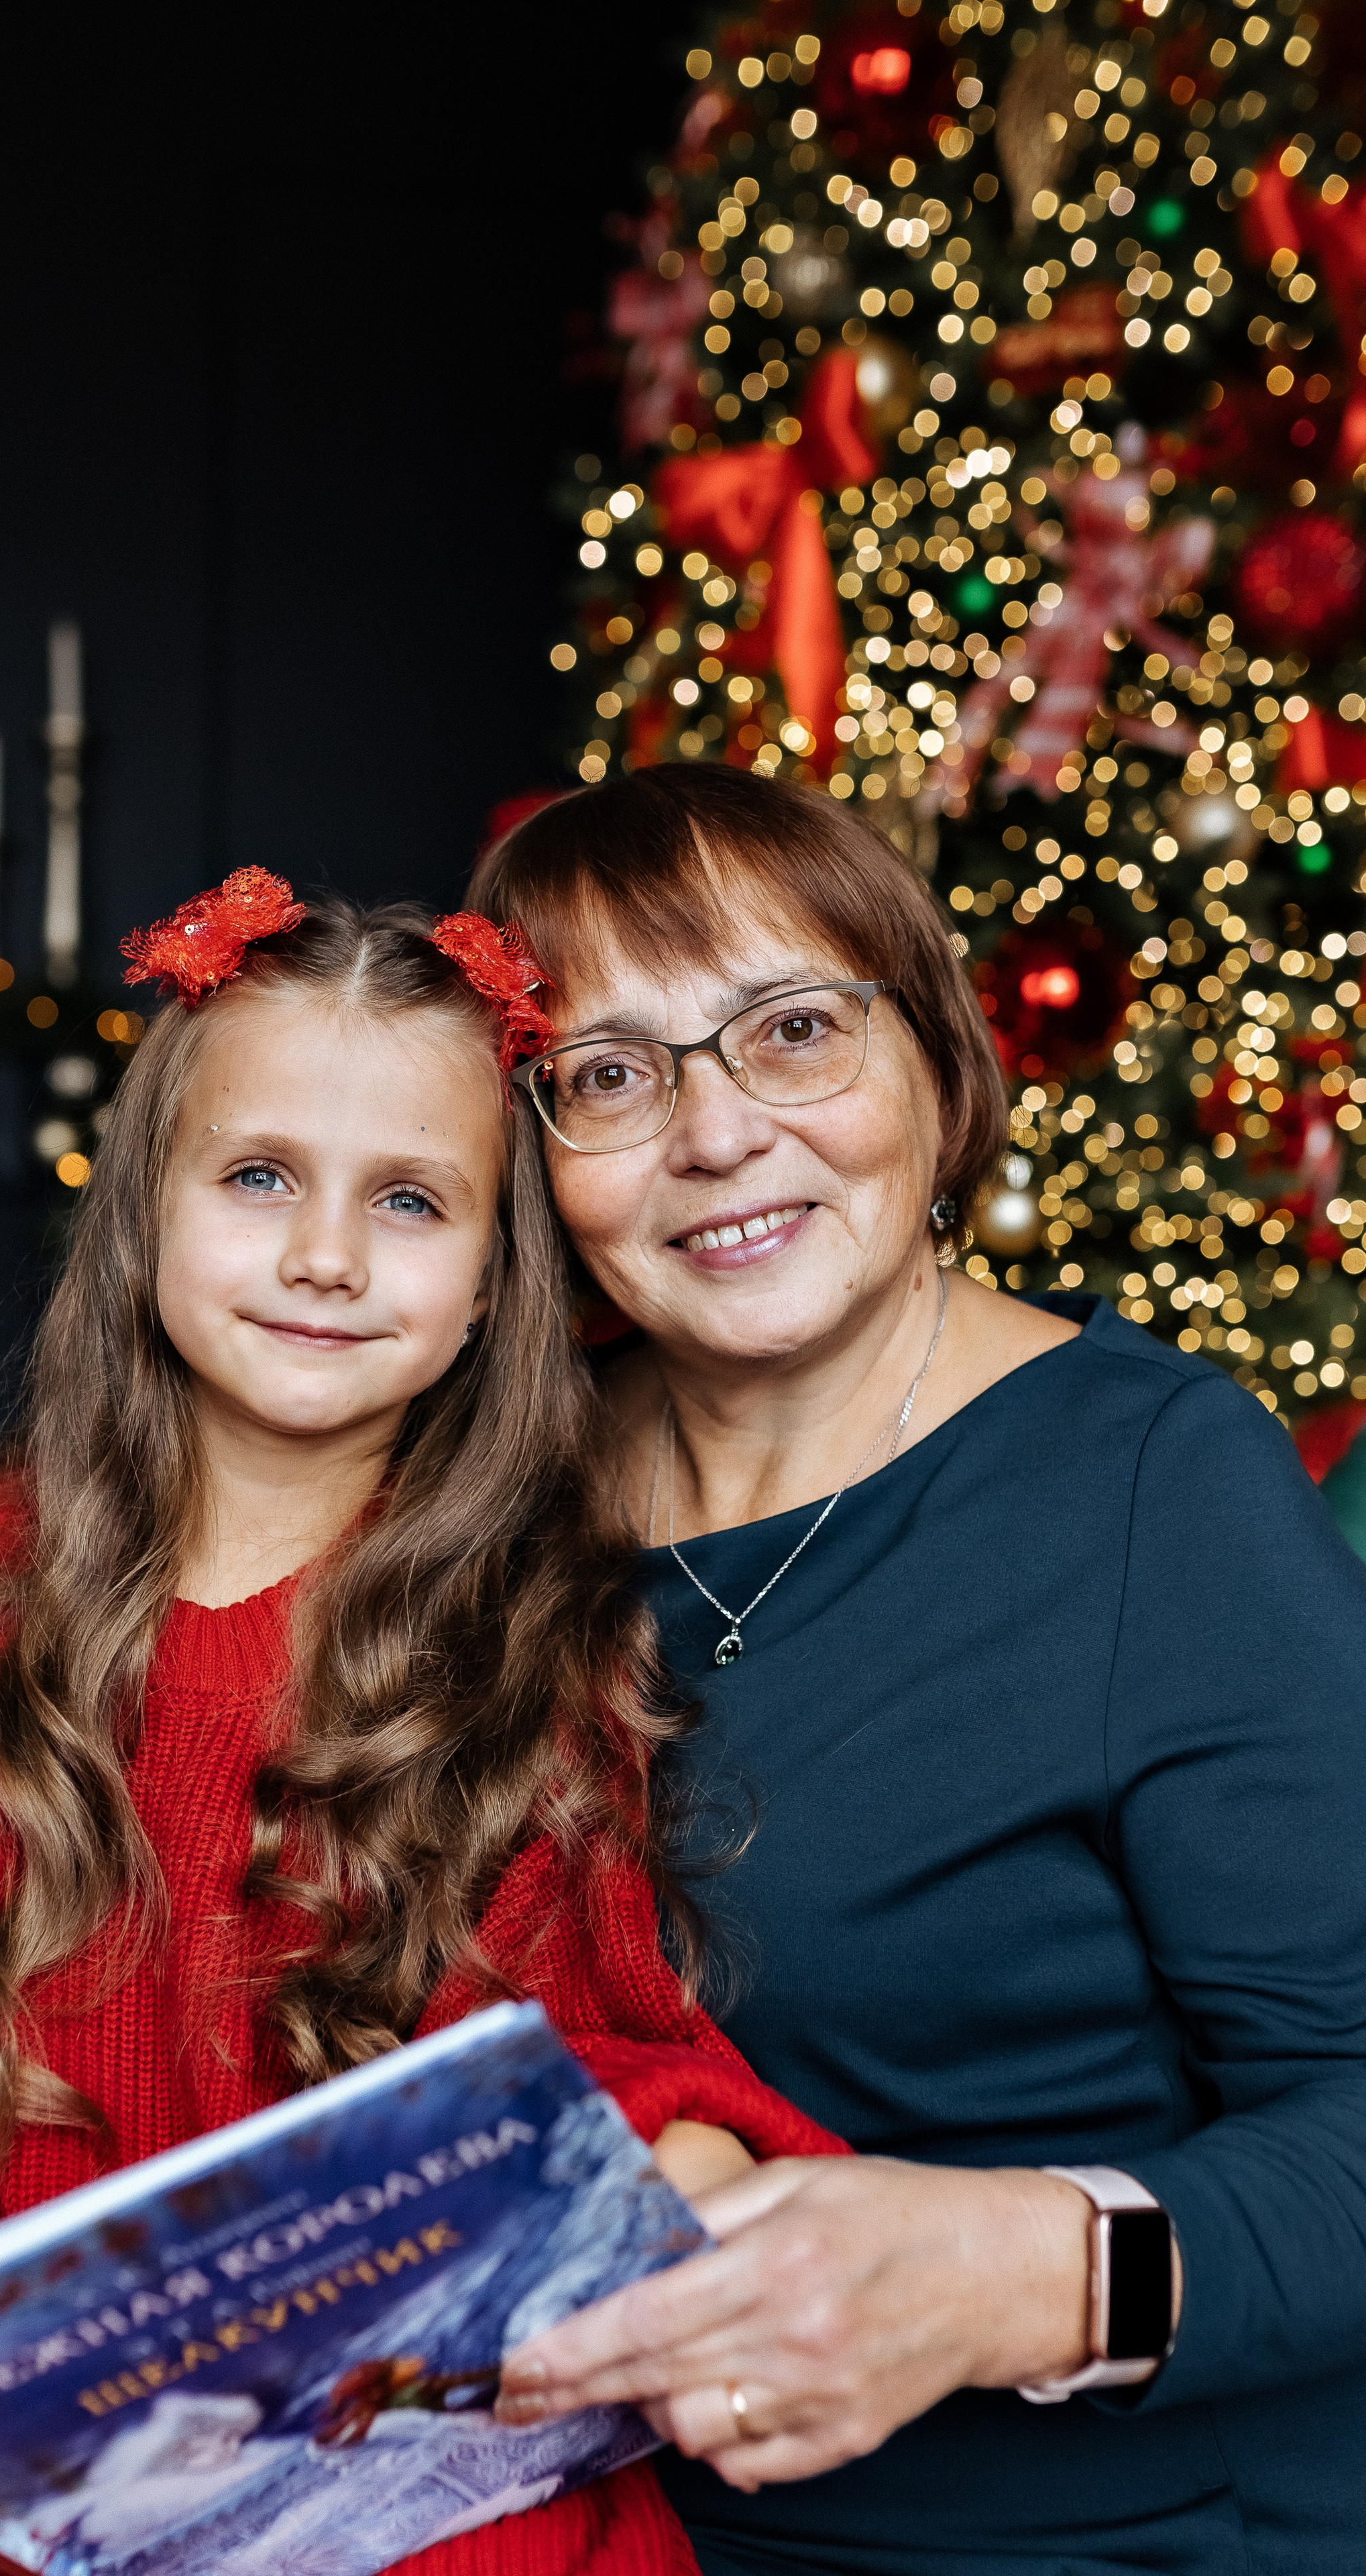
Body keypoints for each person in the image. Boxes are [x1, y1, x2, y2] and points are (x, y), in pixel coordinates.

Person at [0, 871, 842, 2576]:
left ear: (491, 1282)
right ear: (144, 1208)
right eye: (260, 1176)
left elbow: (602, 2066)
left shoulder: (523, 1651)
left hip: (402, 2518)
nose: (324, 1257)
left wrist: (694, 2172)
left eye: (409, 1201)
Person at [466, 766, 1366, 2574]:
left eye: (794, 1030)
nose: (717, 1133)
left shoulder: (1156, 1483)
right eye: (611, 1075)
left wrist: (1021, 2278)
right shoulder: (476, 1504)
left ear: (939, 1066)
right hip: (568, 2537)